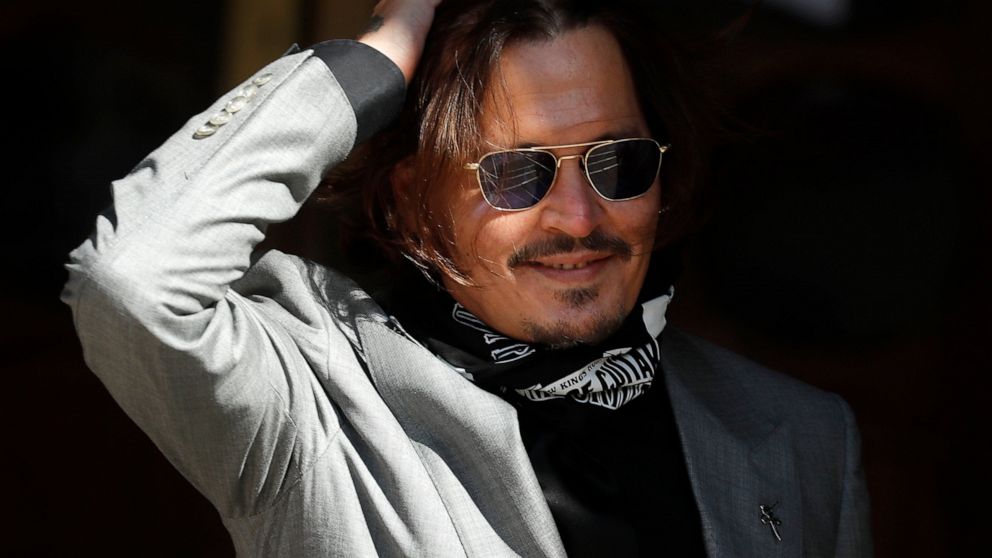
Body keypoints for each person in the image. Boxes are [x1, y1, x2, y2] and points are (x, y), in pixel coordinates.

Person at [63, 0, 872, 556]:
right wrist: (381, 49)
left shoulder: (803, 436)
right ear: (410, 202)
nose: (579, 218)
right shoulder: (315, 406)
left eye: (618, 162)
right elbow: (133, 279)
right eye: (516, 174)